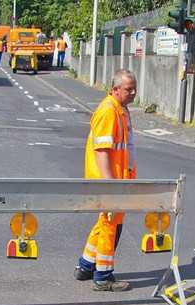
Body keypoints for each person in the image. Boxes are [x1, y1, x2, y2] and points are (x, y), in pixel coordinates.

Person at [74, 69, 138, 292]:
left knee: (105, 222)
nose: (133, 93)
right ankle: (103, 276)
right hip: (109, 181)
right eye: (128, 89)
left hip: (116, 179)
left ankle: (85, 266)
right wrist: (111, 185)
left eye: (134, 89)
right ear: (115, 89)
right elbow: (102, 151)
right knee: (111, 226)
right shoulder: (109, 111)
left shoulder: (119, 109)